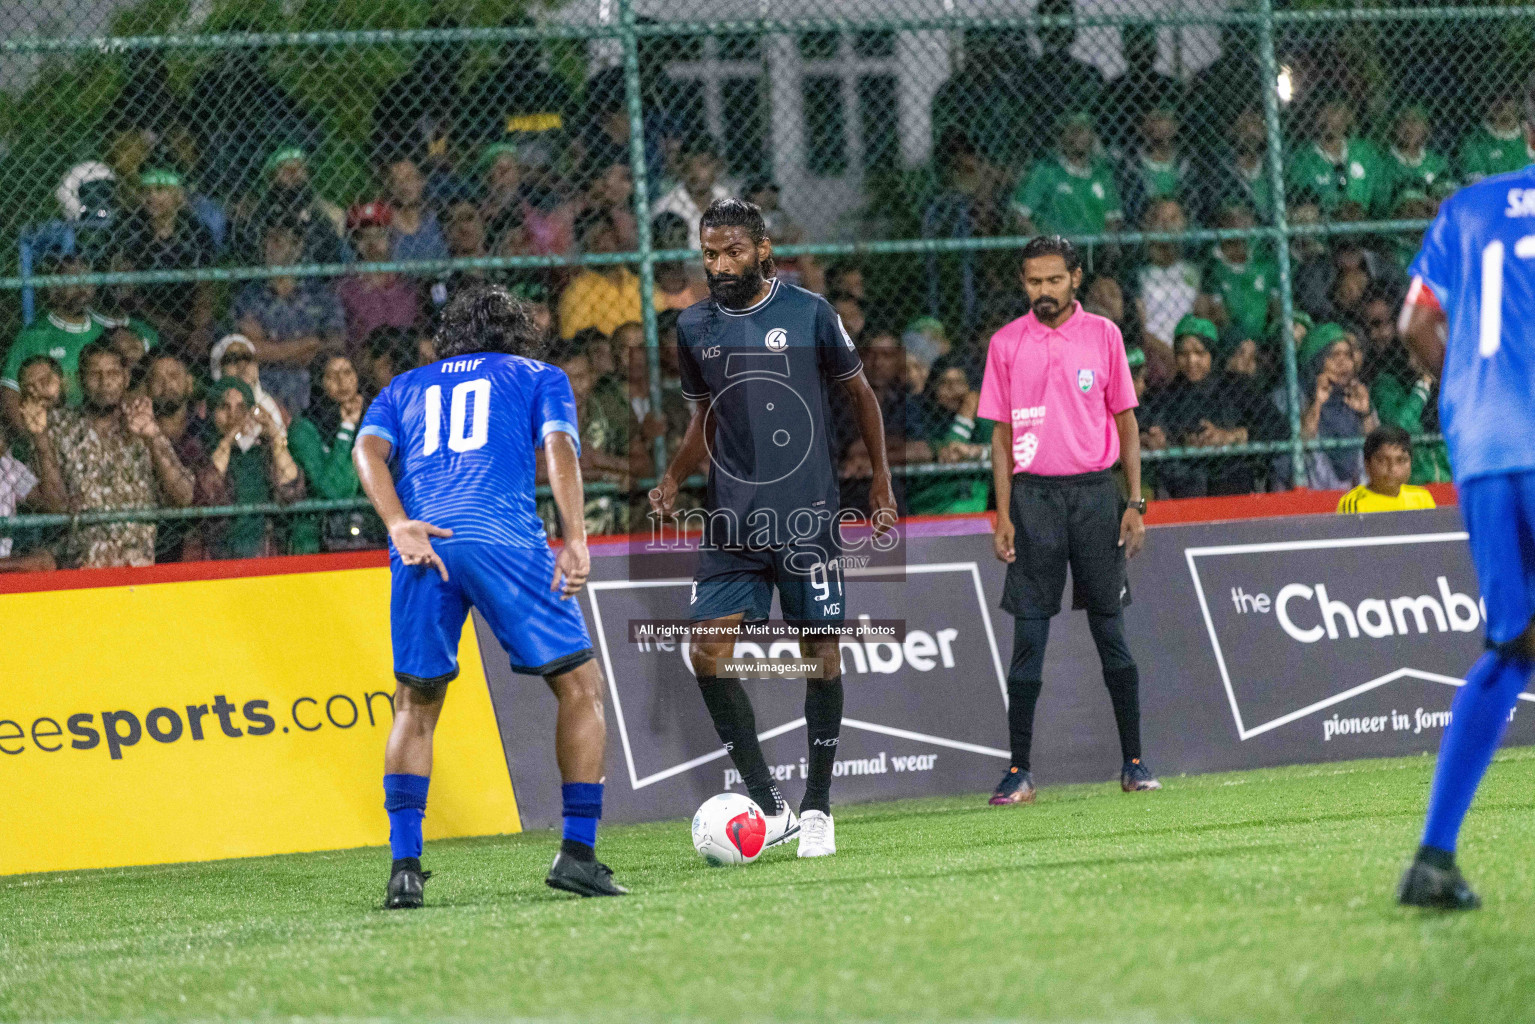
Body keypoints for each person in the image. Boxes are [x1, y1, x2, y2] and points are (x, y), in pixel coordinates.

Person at [354, 285, 624, 905]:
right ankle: (578, 854)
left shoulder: (402, 387)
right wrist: (575, 536)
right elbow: (559, 450)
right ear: (518, 334)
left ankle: (404, 870)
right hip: (501, 538)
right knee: (580, 686)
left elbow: (366, 451)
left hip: (422, 543)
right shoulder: (539, 375)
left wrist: (396, 523)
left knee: (414, 705)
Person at [648, 198, 897, 859]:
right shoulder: (692, 325)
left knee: (822, 657)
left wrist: (878, 483)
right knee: (705, 653)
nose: (718, 264)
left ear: (761, 249)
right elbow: (702, 417)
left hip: (806, 519)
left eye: (731, 251)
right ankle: (768, 803)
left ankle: (817, 808)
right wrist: (675, 475)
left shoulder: (809, 312)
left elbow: (860, 395)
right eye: (708, 254)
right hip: (731, 522)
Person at [1396, 84, 1535, 907]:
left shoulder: (1466, 207)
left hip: (1484, 447)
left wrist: (1471, 392)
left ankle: (1433, 859)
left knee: (1512, 647)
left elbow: (1415, 324)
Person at [979, 235, 1156, 807]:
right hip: (1032, 503)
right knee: (1028, 639)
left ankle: (1134, 762)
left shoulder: (1104, 335)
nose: (1044, 291)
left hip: (1094, 497)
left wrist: (1134, 502)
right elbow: (1001, 439)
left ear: (1075, 277)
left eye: (1054, 280)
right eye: (1034, 281)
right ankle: (1019, 771)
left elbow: (1126, 425)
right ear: (1023, 282)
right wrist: (1002, 513)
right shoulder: (1006, 344)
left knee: (1111, 634)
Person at [29, 342, 194, 567]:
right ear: (80, 379)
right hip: (81, 565)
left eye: (113, 373)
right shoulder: (57, 426)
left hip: (138, 565)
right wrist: (40, 438)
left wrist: (152, 437)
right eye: (95, 374)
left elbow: (184, 497)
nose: (104, 382)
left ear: (126, 378)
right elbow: (55, 506)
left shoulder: (142, 422)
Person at [230, 218, 347, 416]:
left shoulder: (319, 294)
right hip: (260, 397)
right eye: (267, 240)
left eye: (280, 239)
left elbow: (334, 343)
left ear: (298, 246)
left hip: (313, 397)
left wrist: (269, 349)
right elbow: (247, 350)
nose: (272, 246)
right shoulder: (248, 296)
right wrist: (309, 342)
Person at [1141, 317, 1257, 497]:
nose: (1191, 361)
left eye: (1199, 352)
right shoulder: (1167, 395)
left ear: (1212, 353)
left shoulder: (1235, 387)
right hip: (1184, 485)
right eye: (1183, 354)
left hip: (1232, 479)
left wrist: (1229, 436)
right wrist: (1165, 441)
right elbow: (1149, 426)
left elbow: (1276, 428)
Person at [196, 376, 304, 559]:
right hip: (214, 556)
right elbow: (208, 492)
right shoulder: (198, 450)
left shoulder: (261, 453)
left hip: (260, 553)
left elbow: (292, 490)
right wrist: (229, 439)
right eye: (224, 407)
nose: (233, 416)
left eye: (241, 408)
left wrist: (275, 435)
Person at [3, 254, 103, 434]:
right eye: (72, 280)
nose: (82, 288)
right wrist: (33, 439)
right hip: (51, 431)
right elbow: (9, 394)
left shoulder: (103, 331)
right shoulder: (35, 336)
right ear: (54, 288)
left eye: (87, 280)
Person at [288, 353, 370, 552]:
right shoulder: (304, 428)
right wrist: (347, 427)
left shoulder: (373, 418)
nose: (342, 381)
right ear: (319, 382)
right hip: (316, 537)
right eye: (332, 376)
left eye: (347, 372)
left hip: (368, 530)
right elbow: (334, 489)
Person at [337, 202, 423, 358]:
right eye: (363, 236)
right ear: (354, 242)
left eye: (379, 234)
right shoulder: (344, 288)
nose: (372, 242)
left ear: (390, 238)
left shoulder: (408, 285)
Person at [1285, 97, 1388, 217]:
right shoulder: (1302, 159)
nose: (1327, 117)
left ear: (1349, 116)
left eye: (1334, 110)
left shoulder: (1366, 152)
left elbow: (1383, 198)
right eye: (1322, 111)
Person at [557, 209, 642, 339]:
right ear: (584, 247)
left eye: (605, 234)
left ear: (616, 237)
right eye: (593, 238)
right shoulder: (577, 293)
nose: (602, 243)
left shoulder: (640, 284)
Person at [1134, 198, 1201, 347]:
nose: (1166, 225)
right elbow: (1140, 329)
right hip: (1152, 348)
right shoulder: (1139, 275)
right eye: (1160, 218)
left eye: (1173, 218)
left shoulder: (1194, 271)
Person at [650, 134, 732, 247]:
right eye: (690, 165)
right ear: (683, 167)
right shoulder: (667, 206)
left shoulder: (726, 198)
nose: (697, 173)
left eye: (704, 164)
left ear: (717, 165)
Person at [1337, 427, 1437, 514]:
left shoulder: (1422, 499)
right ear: (1367, 464)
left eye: (1401, 460)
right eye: (1383, 461)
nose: (1392, 468)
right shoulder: (1354, 504)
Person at [384, 157, 449, 263]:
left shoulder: (438, 217)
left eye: (409, 178)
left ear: (421, 181)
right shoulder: (384, 222)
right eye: (396, 181)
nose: (404, 187)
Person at [1457, 92, 1531, 183]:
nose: (1504, 109)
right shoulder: (1474, 141)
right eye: (1498, 105)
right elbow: (1476, 183)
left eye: (1507, 100)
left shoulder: (1529, 134)